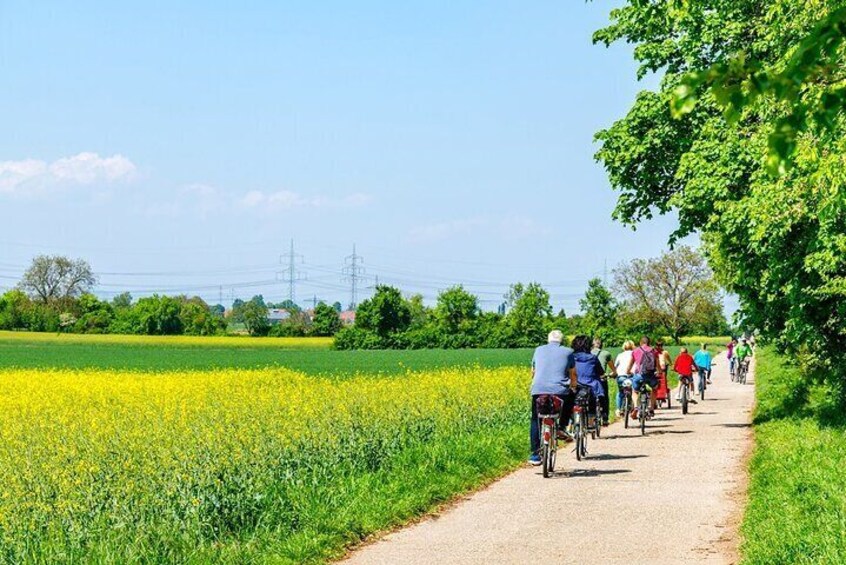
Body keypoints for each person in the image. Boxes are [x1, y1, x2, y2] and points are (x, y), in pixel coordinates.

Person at [529, 330, 576, 466]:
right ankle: (561, 426)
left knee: (535, 419)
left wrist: (535, 385)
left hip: (538, 389)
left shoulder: (538, 350)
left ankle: (534, 454)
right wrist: (573, 385)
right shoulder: (568, 352)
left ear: (548, 339)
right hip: (559, 390)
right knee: (569, 398)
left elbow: (533, 371)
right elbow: (573, 373)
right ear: (562, 341)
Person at [572, 335, 606, 429]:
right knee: (597, 397)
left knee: (571, 401)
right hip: (591, 385)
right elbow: (601, 372)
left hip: (576, 385)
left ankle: (570, 423)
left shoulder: (571, 357)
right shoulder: (593, 358)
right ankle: (593, 419)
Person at [627, 336, 658, 418]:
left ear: (640, 343)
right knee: (655, 388)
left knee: (635, 391)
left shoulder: (635, 351)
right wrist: (659, 372)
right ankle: (651, 408)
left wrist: (628, 371)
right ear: (649, 343)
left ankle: (636, 407)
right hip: (650, 376)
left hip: (639, 375)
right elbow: (657, 365)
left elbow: (630, 364)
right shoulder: (653, 351)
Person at [591, 337, 616, 426]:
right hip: (601, 379)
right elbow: (613, 368)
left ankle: (590, 417)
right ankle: (605, 418)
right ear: (601, 345)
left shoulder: (588, 353)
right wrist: (614, 373)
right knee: (604, 397)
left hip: (590, 380)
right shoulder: (606, 353)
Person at [614, 340, 635, 417]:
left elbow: (615, 366)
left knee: (620, 392)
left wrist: (613, 374)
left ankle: (619, 409)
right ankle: (634, 408)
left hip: (621, 376)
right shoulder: (634, 354)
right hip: (631, 376)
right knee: (634, 391)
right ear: (633, 346)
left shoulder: (620, 355)